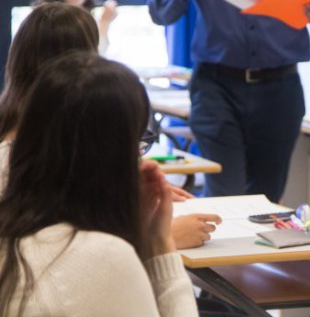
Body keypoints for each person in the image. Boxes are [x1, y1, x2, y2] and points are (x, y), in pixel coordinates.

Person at [0, 2, 219, 250]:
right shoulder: (20, 159)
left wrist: (135, 191)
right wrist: (162, 238)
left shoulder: (59, 137)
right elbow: (68, 250)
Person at [0, 52, 198, 316]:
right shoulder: (101, 256)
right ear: (116, 154)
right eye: (137, 145)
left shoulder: (18, 231)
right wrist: (159, 243)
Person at [148, 0, 310, 202]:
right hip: (216, 88)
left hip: (280, 90)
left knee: (266, 202)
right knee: (225, 197)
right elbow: (159, 11)